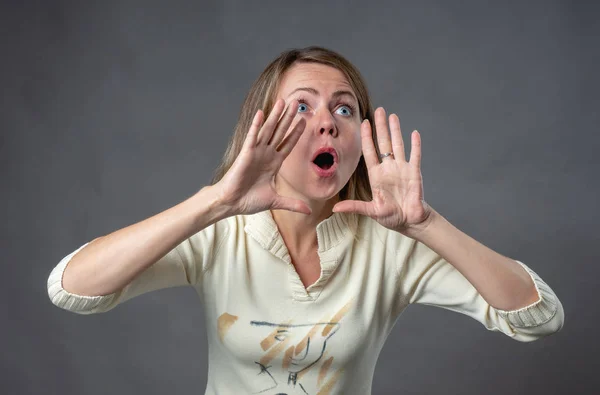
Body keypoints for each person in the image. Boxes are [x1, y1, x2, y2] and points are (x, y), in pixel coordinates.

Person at [47, 46, 564, 394]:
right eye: (302, 107)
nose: (326, 122)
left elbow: (539, 316)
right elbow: (72, 288)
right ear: (263, 128)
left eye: (343, 110)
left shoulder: (392, 243)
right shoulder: (220, 231)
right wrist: (214, 203)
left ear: (359, 137)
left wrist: (426, 225)